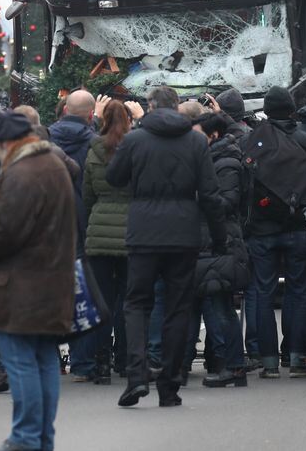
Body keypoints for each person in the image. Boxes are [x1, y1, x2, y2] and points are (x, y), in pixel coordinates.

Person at [107, 86, 226, 408]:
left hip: (144, 231)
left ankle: (136, 375)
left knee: (136, 303)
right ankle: (170, 384)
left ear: (150, 107)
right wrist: (219, 238)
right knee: (178, 307)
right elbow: (210, 194)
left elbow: (114, 177)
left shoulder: (135, 139)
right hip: (184, 233)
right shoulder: (196, 142)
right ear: (176, 107)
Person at [0, 112, 76, 451]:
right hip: (53, 279)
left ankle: (25, 438)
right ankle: (41, 438)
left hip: (21, 284)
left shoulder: (21, 173)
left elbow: (5, 235)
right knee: (44, 361)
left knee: (21, 363)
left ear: (5, 142)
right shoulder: (53, 164)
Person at [243, 86, 306, 379]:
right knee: (299, 291)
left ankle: (269, 363)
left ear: (266, 110)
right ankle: (298, 357)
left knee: (262, 292)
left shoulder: (252, 140)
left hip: (262, 229)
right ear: (291, 109)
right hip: (297, 224)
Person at [193, 112, 249, 388]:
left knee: (220, 306)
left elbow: (227, 201)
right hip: (212, 239)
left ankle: (234, 366)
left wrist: (197, 195)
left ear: (213, 135)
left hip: (221, 240)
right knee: (217, 304)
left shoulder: (225, 162)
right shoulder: (212, 159)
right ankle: (230, 364)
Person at [82, 100, 132, 385]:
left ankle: (101, 362)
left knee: (102, 299)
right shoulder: (135, 149)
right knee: (128, 299)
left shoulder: (94, 151)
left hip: (99, 229)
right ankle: (124, 359)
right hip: (130, 230)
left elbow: (87, 195)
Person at [48, 89, 97, 381]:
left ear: (64, 109)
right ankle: (83, 362)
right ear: (91, 114)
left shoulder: (46, 139)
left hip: (51, 223)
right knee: (82, 293)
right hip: (82, 221)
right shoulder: (95, 142)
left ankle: (49, 359)